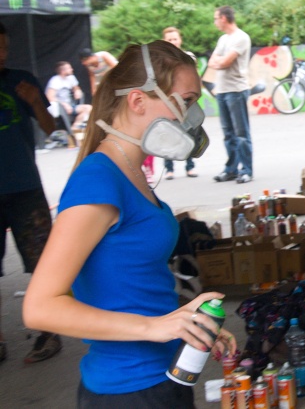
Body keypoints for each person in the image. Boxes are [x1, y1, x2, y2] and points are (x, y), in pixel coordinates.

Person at [22, 41, 235, 407]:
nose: (193, 116)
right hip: (127, 390)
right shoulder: (98, 181)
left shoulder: (129, 172)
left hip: (161, 377)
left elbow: (130, 280)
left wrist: (184, 318)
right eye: (186, 101)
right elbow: (40, 307)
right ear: (137, 101)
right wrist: (153, 327)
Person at [0, 22, 63, 364]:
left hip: (25, 187)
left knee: (43, 263)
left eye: (5, 48)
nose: (2, 55)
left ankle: (49, 332)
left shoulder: (20, 81)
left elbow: (51, 128)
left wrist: (35, 101)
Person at [208, 6, 253, 184]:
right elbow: (212, 62)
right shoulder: (223, 39)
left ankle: (247, 170)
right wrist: (219, 62)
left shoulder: (241, 37)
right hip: (222, 90)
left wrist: (220, 62)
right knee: (228, 134)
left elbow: (225, 62)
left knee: (241, 133)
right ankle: (231, 170)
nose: (215, 22)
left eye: (216, 18)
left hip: (236, 90)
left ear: (224, 18)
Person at [162, 27, 198, 179]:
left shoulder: (188, 57)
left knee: (188, 133)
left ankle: (190, 167)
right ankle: (169, 169)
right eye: (169, 40)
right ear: (164, 41)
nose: (173, 42)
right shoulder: (161, 60)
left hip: (185, 101)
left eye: (175, 39)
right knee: (168, 135)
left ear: (180, 40)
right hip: (167, 101)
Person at [46, 61, 92, 131]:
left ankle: (75, 127)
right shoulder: (55, 80)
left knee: (88, 108)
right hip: (59, 107)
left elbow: (76, 88)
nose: (72, 69)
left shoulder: (71, 78)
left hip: (70, 106)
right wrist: (64, 104)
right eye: (69, 68)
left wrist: (77, 91)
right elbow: (49, 97)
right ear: (63, 71)